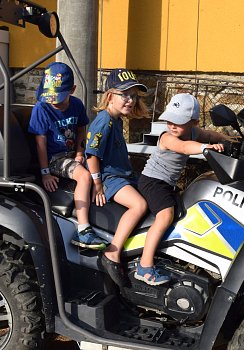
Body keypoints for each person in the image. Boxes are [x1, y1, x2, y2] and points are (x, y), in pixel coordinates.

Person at [136, 93, 233, 285]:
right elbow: (185, 147)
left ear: (193, 122)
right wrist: (207, 148)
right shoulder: (167, 138)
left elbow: (210, 134)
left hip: (167, 183)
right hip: (153, 181)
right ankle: (145, 265)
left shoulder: (195, 132)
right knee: (165, 215)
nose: (172, 125)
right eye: (169, 120)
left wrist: (227, 139)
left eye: (178, 122)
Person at [28, 61, 106, 250]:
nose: (54, 101)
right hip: (55, 158)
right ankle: (84, 230)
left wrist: (80, 153)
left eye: (60, 98)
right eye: (51, 97)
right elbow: (40, 143)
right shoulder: (41, 108)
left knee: (102, 166)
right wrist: (45, 172)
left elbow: (81, 130)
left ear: (72, 89)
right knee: (84, 176)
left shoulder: (77, 105)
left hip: (73, 154)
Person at [85, 68, 148, 287]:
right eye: (125, 95)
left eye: (134, 96)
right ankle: (113, 252)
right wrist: (98, 185)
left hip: (124, 174)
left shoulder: (117, 119)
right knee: (138, 205)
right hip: (111, 178)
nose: (130, 100)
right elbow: (91, 154)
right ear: (110, 96)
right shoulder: (104, 121)